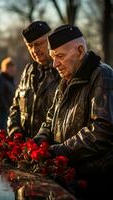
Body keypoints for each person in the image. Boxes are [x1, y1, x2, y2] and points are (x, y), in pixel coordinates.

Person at [34, 24, 113, 198]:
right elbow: (50, 118)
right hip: (67, 179)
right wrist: (40, 140)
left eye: (60, 56)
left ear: (79, 50)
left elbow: (102, 131)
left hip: (94, 184)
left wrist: (58, 151)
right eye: (53, 57)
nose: (54, 64)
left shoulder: (103, 76)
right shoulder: (65, 80)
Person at [7, 21, 60, 139]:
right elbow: (15, 107)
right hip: (24, 150)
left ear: (50, 41)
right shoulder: (28, 71)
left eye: (38, 44)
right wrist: (15, 132)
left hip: (52, 150)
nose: (34, 50)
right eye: (30, 46)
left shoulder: (62, 70)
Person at [0, 57, 16, 130]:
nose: (13, 71)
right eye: (11, 69)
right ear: (5, 68)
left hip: (8, 110)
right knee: (1, 132)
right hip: (1, 111)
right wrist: (7, 108)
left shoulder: (10, 79)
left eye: (13, 69)